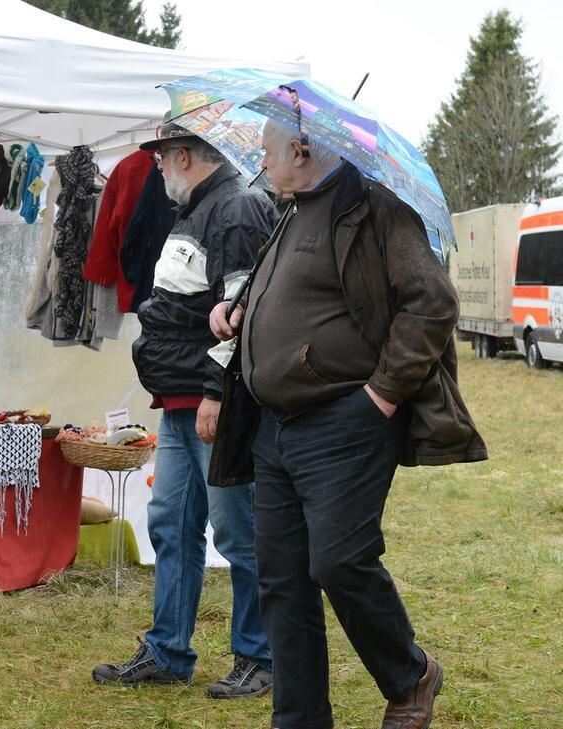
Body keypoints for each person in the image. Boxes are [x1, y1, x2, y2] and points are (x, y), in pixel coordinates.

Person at [210, 119, 487, 729]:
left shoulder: (376, 208)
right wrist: (236, 309)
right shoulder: (289, 211)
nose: (261, 165)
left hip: (344, 422)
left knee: (338, 562)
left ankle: (409, 674)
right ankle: (300, 719)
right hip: (273, 428)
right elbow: (294, 295)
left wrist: (381, 397)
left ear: (302, 149)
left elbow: (432, 304)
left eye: (267, 153)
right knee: (282, 582)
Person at [92, 114, 276, 699]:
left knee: (237, 531)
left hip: (211, 402)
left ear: (187, 156)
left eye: (163, 156)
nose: (158, 167)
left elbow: (243, 316)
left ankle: (262, 656)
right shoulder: (195, 209)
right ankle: (169, 652)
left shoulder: (236, 209)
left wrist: (216, 395)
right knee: (171, 524)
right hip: (180, 404)